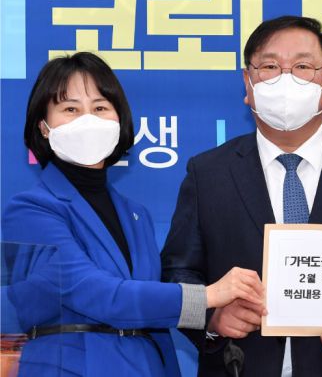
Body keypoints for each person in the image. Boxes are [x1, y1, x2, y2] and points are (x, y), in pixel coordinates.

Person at [160, 15, 322, 376]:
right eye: (270, 67)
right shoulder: (208, 172)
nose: (286, 79)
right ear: (247, 82)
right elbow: (178, 271)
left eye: (303, 67)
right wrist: (212, 317)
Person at [1, 52, 265, 377]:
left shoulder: (135, 215)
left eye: (100, 108)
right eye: (70, 109)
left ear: (119, 119)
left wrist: (211, 319)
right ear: (43, 127)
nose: (88, 120)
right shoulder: (30, 210)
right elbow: (95, 294)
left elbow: (152, 315)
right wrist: (209, 295)